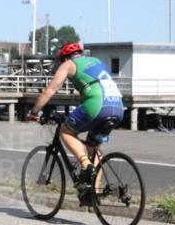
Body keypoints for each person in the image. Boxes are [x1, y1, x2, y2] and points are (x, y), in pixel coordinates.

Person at [26, 42, 124, 206]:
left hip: (97, 105)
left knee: (66, 131)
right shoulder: (97, 61)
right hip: (118, 107)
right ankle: (94, 192)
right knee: (93, 147)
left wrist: (34, 112)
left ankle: (86, 165)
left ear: (64, 58)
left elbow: (50, 90)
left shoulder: (68, 64)